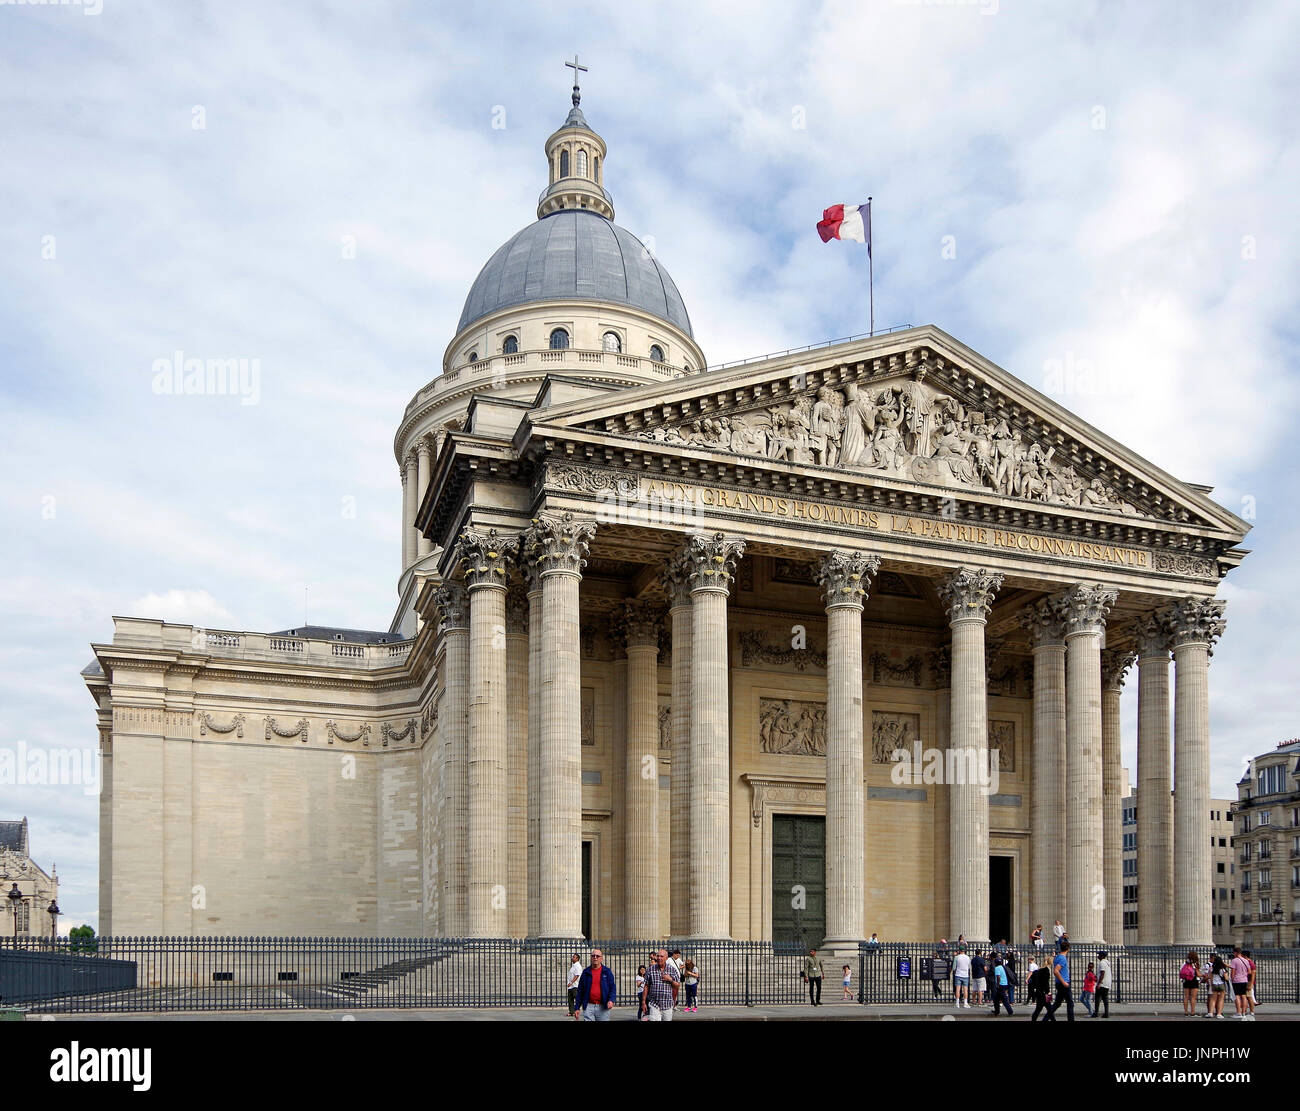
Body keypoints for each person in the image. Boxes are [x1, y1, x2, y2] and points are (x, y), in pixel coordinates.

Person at [575, 948, 616, 1021]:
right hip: (588, 1006)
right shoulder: (586, 972)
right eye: (593, 956)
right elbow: (580, 990)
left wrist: (611, 1000)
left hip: (603, 1006)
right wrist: (577, 1007)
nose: (595, 958)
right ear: (591, 958)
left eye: (597, 956)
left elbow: (612, 988)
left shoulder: (607, 972)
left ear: (601, 958)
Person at [641, 949, 680, 1021]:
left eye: (661, 956)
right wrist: (643, 1002)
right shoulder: (650, 970)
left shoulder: (672, 970)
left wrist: (670, 980)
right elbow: (646, 986)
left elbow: (677, 985)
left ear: (666, 958)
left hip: (667, 1004)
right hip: (654, 1004)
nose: (659, 958)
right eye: (658, 956)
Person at [1047, 939, 1074, 1021]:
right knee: (1070, 1003)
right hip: (1063, 983)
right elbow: (1056, 971)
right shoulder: (1062, 958)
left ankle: (1045, 1018)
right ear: (1068, 949)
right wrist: (1064, 982)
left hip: (1059, 983)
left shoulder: (1058, 957)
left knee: (1057, 1003)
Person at [1229, 946, 1253, 1020]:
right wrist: (1244, 974)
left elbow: (1232, 972)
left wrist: (1232, 979)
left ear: (1235, 953)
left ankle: (1238, 1012)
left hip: (1237, 980)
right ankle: (1243, 1012)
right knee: (1244, 996)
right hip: (1244, 980)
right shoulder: (1246, 960)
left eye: (1234, 953)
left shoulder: (1234, 960)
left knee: (1237, 996)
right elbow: (1249, 971)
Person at [1206, 955, 1228, 1019]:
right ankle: (1219, 1014)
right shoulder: (1223, 969)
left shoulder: (1211, 968)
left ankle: (1210, 1013)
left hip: (1214, 984)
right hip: (1221, 984)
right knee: (1221, 1000)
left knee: (1213, 1000)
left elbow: (1210, 977)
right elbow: (1226, 978)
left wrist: (1212, 983)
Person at [1180, 951, 1200, 1017]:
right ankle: (1192, 1012)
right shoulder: (1195, 964)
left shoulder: (1184, 963)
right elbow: (1198, 974)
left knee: (1186, 997)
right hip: (1194, 980)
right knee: (1193, 998)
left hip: (1186, 981)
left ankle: (1185, 1012)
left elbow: (1181, 971)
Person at [1093, 950, 1112, 1018]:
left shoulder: (1102, 963)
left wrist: (1099, 983)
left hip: (1102, 984)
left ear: (1102, 956)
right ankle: (1106, 1013)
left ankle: (1096, 1012)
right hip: (1107, 983)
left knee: (1097, 998)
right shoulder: (1107, 963)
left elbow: (1102, 973)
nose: (1098, 956)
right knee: (1105, 999)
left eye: (1099, 955)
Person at [566, 952, 583, 1018]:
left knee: (577, 998)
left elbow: (577, 975)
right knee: (570, 1000)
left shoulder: (578, 966)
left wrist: (571, 982)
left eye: (573, 957)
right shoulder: (574, 965)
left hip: (575, 985)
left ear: (577, 958)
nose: (572, 958)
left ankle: (581, 1008)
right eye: (572, 957)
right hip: (571, 986)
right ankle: (571, 1012)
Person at [1244, 950, 1257, 1017]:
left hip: (1248, 981)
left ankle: (1251, 1011)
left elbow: (1253, 974)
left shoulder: (1250, 963)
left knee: (1249, 997)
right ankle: (1247, 1011)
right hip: (1247, 981)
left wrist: (1251, 984)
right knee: (1247, 997)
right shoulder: (1249, 962)